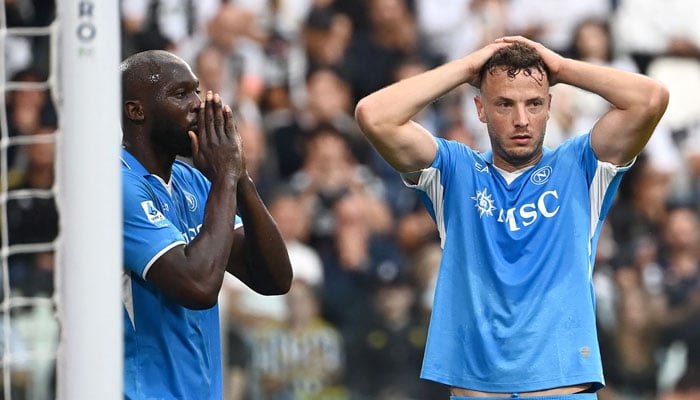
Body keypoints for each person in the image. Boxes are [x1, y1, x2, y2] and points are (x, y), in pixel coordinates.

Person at [355, 36, 669, 398]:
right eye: (504, 104)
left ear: (550, 105)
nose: (521, 120)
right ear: (480, 108)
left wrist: (562, 68)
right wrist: (466, 68)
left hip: (561, 391)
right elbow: (373, 116)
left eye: (534, 103)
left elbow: (651, 99)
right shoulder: (454, 172)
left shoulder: (582, 166)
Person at [119, 49, 292, 400]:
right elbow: (198, 286)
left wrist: (240, 177)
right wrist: (226, 178)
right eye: (181, 94)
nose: (199, 104)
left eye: (197, 91)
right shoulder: (116, 185)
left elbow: (274, 279)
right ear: (136, 111)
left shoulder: (193, 182)